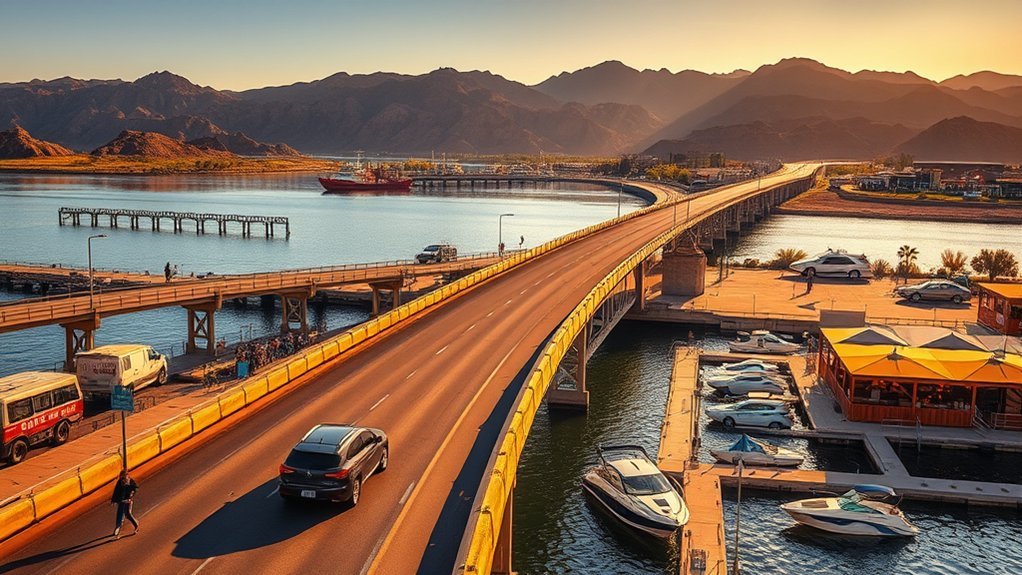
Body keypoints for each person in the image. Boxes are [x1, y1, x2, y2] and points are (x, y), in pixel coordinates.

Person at [111, 470, 139, 538]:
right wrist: (114, 500)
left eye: (124, 477)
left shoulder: (131, 481)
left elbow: (135, 488)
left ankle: (136, 525)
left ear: (127, 476)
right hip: (121, 501)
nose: (123, 479)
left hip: (128, 501)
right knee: (120, 516)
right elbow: (116, 491)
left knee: (128, 514)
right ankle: (117, 529)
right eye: (122, 477)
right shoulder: (120, 482)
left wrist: (132, 494)